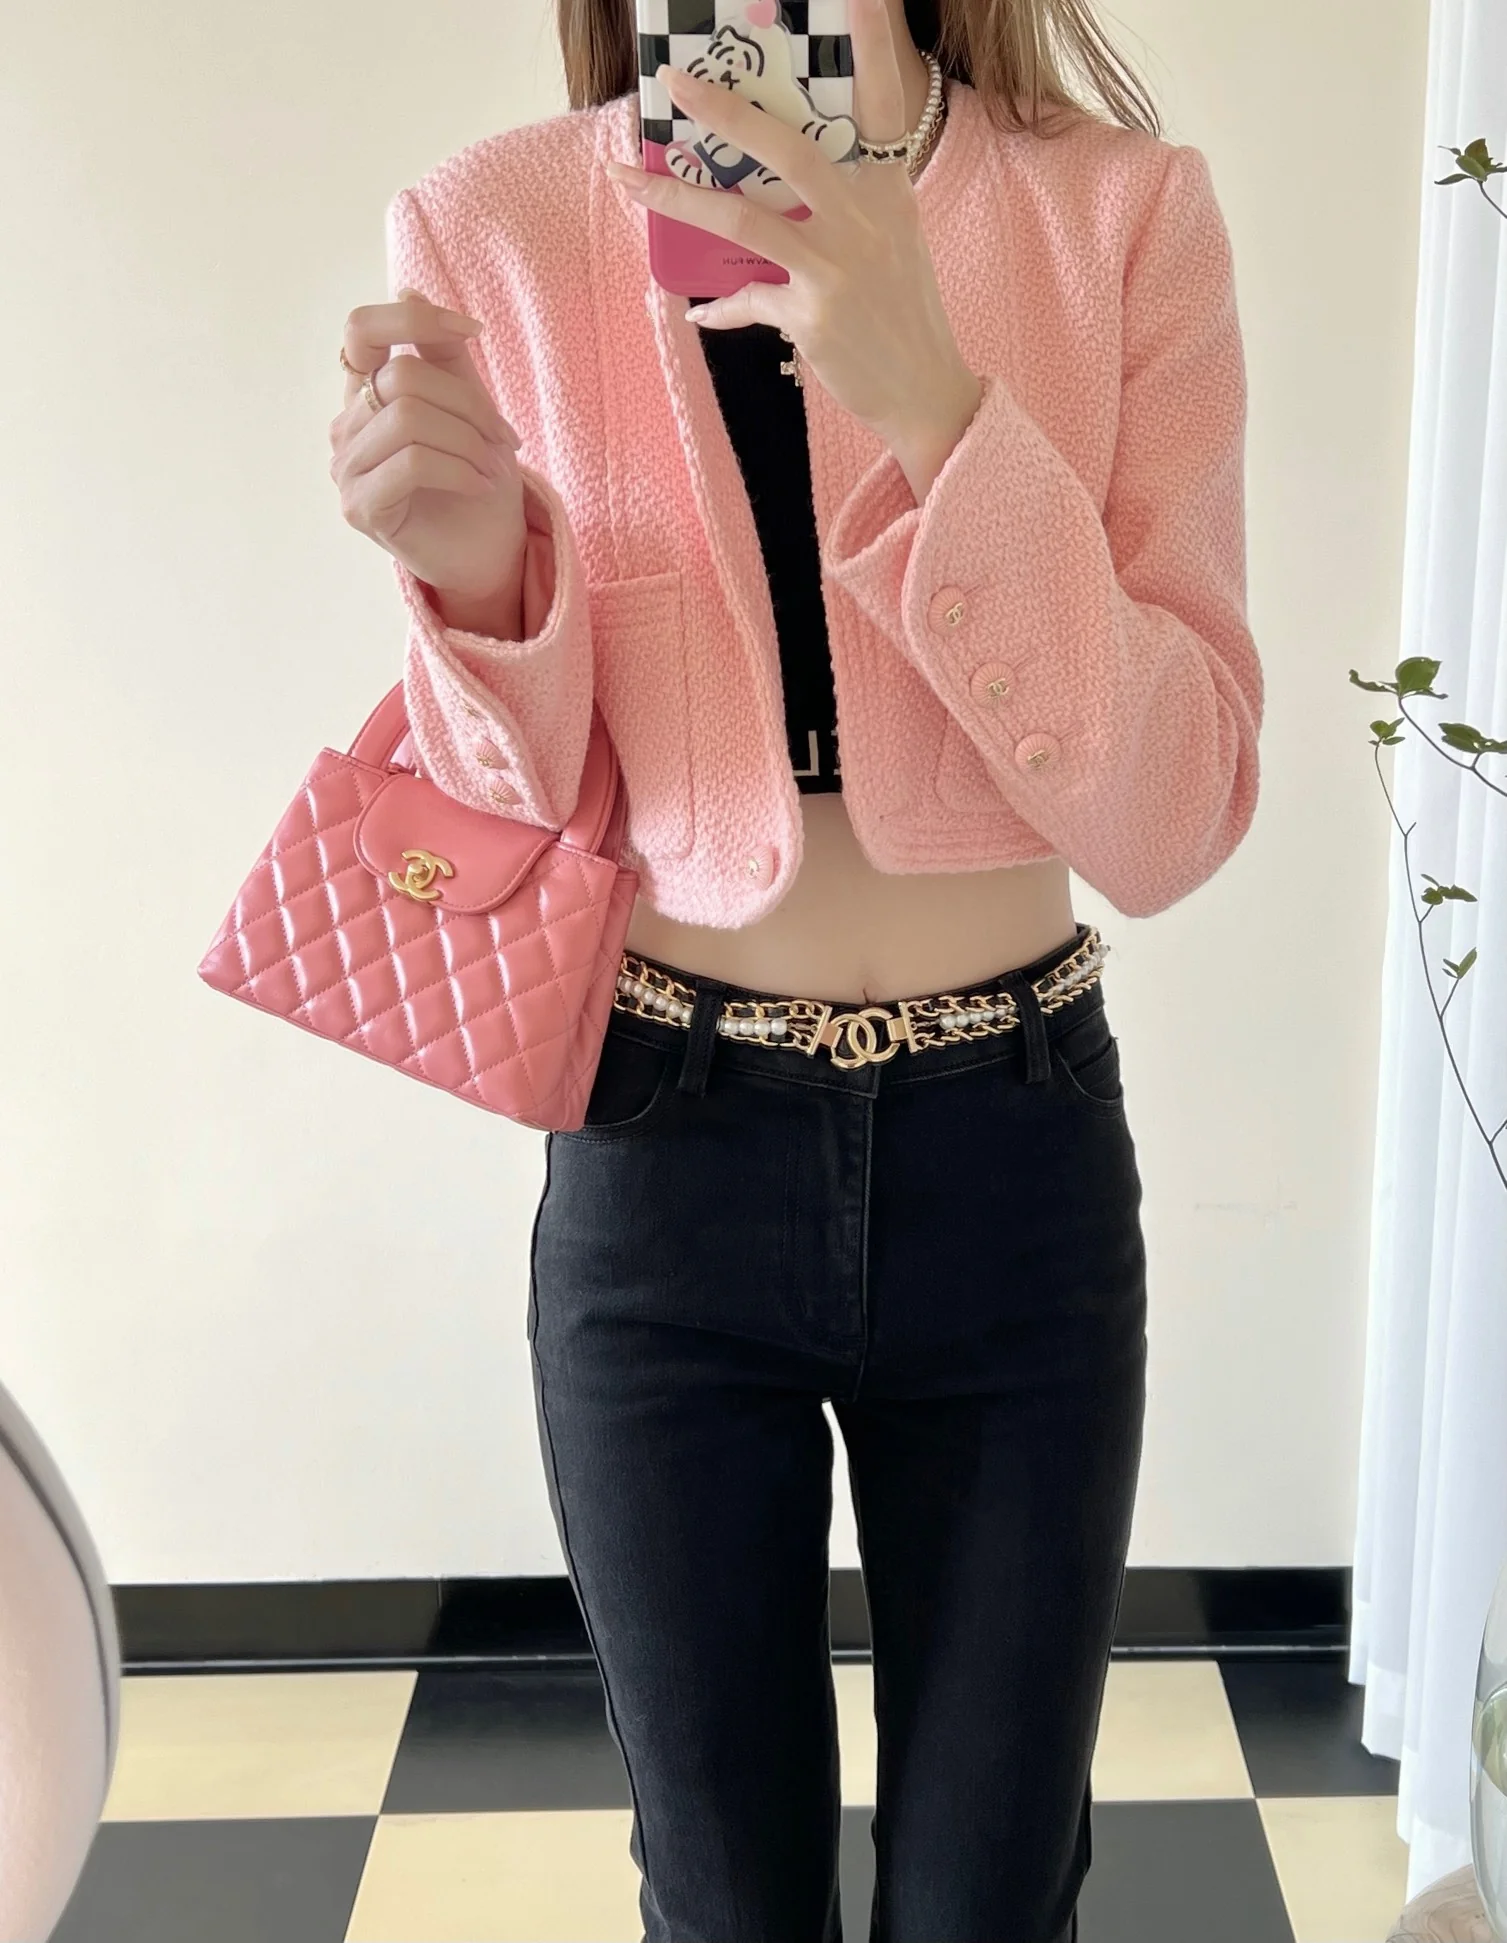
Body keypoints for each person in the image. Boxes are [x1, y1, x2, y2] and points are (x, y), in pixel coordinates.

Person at [328, 0, 1263, 1936]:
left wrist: (940, 406)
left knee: (991, 1894)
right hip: (664, 1156)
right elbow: (521, 812)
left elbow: (1177, 812)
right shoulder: (494, 224)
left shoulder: (1120, 217)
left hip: (1011, 1155)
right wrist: (481, 585)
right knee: (722, 1893)